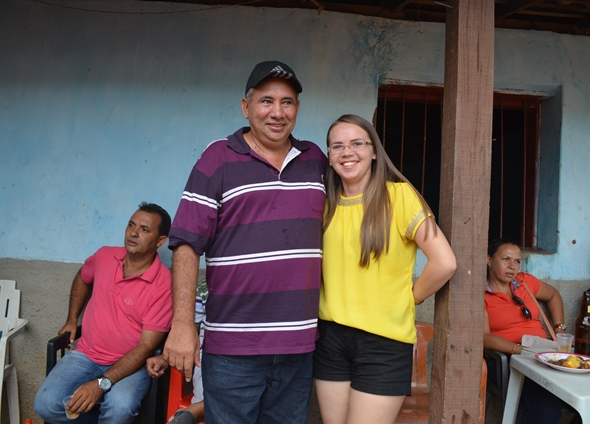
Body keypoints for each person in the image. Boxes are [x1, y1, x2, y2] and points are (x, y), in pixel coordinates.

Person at [159, 60, 328, 423]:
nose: (277, 112)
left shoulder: (315, 160)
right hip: (234, 348)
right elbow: (187, 244)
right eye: (266, 101)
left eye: (288, 102)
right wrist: (183, 324)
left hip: (298, 346)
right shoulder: (217, 158)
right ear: (246, 106)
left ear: (297, 109)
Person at [313, 114, 457, 424]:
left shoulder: (399, 196)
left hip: (384, 344)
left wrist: (409, 299)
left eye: (356, 143)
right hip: (330, 338)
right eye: (337, 146)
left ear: (374, 151)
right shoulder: (325, 204)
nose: (346, 152)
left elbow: (444, 262)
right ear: (329, 157)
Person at [34, 202, 173, 424]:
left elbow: (146, 347)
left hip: (131, 366)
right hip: (86, 354)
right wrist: (72, 319)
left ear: (160, 241)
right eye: (131, 225)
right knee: (46, 404)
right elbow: (83, 276)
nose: (133, 233)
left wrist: (100, 384)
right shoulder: (105, 256)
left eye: (144, 229)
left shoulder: (163, 283)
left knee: (120, 409)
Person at [484, 238, 579, 424]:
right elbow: (484, 337)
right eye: (506, 259)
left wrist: (560, 329)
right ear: (489, 260)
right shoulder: (481, 294)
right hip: (510, 360)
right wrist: (520, 351)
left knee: (583, 397)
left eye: (517, 261)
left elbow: (553, 295)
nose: (513, 266)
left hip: (545, 355)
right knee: (545, 408)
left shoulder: (525, 282)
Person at [148, 277, 208, 424]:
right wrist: (165, 357)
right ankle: (204, 407)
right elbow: (188, 336)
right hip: (210, 361)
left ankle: (200, 409)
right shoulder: (204, 288)